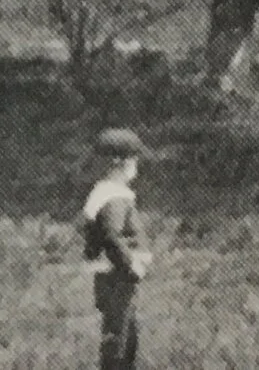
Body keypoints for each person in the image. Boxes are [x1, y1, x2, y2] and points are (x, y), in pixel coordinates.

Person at [80, 127, 151, 370]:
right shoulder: (114, 197)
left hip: (112, 274)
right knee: (119, 336)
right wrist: (131, 264)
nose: (136, 166)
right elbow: (112, 237)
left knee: (124, 330)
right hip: (117, 274)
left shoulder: (104, 194)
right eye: (133, 160)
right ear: (118, 162)